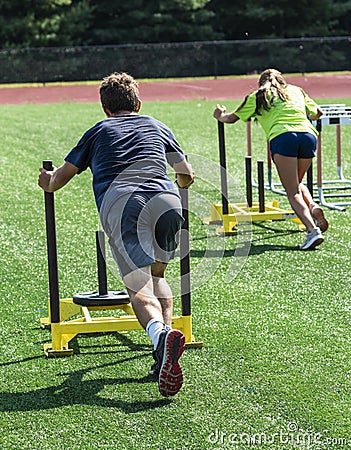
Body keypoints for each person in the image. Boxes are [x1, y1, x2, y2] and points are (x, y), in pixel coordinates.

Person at [38, 72, 194, 397]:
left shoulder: (99, 130)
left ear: (104, 107)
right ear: (138, 103)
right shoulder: (157, 125)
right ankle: (161, 348)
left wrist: (46, 180)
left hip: (125, 203)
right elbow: (187, 175)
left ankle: (159, 336)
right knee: (157, 276)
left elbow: (59, 180)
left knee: (137, 285)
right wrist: (176, 187)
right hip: (167, 200)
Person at [213, 68, 328, 250]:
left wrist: (219, 114)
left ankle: (312, 231)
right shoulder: (296, 90)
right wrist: (305, 117)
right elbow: (318, 112)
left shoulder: (258, 96)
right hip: (308, 135)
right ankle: (313, 207)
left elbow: (230, 118)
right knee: (296, 183)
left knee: (292, 192)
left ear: (261, 82)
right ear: (282, 80)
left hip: (283, 137)